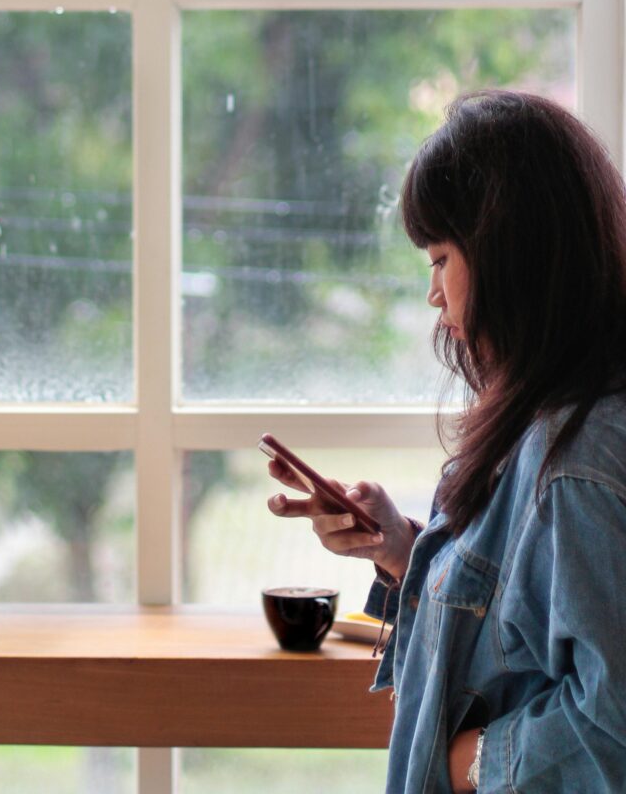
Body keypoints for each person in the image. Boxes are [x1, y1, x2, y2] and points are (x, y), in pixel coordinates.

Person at [266, 89, 626, 792]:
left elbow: (613, 726)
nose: (434, 294)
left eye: (439, 259)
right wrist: (401, 550)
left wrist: (466, 760)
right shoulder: (552, 420)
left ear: (507, 253)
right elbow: (521, 631)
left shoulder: (575, 464)